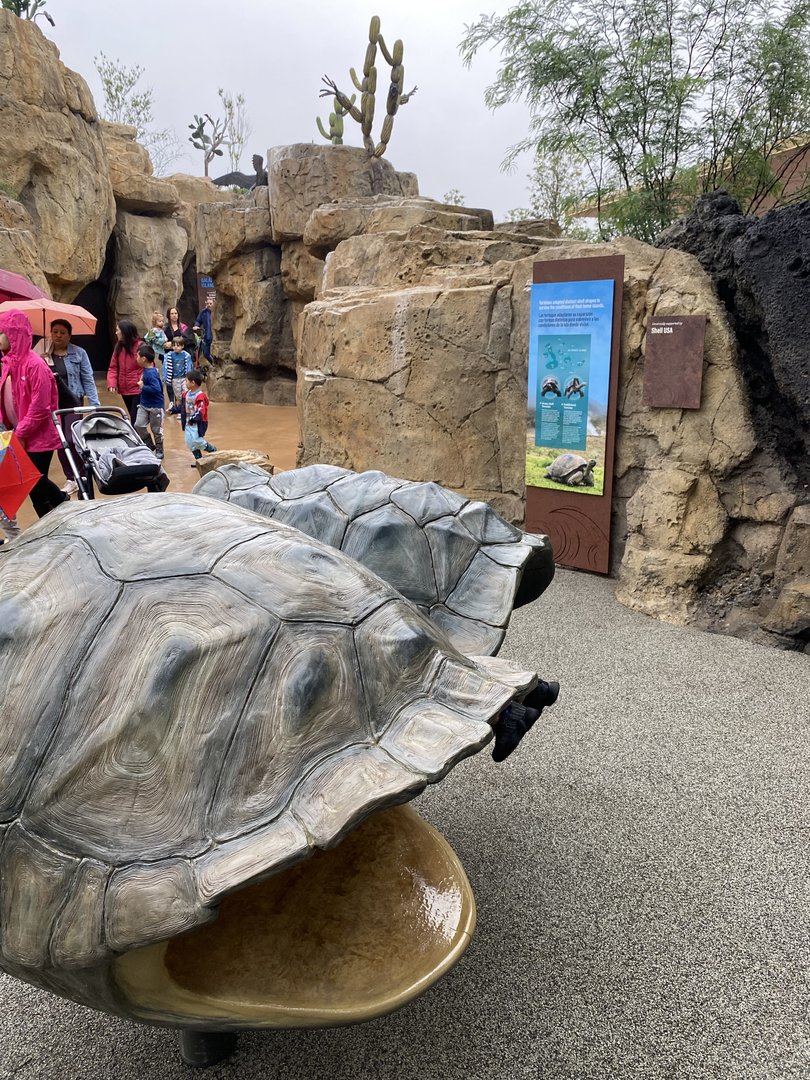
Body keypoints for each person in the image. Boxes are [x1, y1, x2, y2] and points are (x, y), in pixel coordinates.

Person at [0, 311, 68, 518]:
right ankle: (62, 507)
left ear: (14, 334)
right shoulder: (9, 364)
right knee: (34, 483)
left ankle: (54, 520)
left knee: (35, 484)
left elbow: (40, 407)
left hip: (38, 437)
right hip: (19, 435)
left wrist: (20, 433)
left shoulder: (35, 365)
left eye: (2, 333)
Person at [45, 318, 100, 496]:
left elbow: (88, 378)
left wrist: (95, 405)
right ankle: (71, 478)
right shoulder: (44, 353)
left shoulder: (79, 353)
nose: (58, 335)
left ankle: (82, 474)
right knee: (59, 441)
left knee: (71, 438)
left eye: (62, 332)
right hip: (52, 403)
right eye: (55, 332)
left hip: (73, 401)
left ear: (69, 335)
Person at [107, 320, 142, 424]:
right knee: (132, 416)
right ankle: (141, 438)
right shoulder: (119, 347)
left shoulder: (141, 346)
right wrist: (112, 383)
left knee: (136, 419)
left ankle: (140, 439)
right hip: (124, 388)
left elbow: (148, 366)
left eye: (118, 330)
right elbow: (113, 367)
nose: (116, 332)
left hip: (138, 389)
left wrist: (143, 381)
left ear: (125, 332)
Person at [134, 344, 165, 460]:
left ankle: (160, 449)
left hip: (155, 406)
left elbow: (157, 389)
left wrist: (143, 387)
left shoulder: (151, 373)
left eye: (137, 356)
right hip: (144, 404)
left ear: (143, 359)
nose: (136, 359)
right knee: (138, 424)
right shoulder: (146, 370)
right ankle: (148, 444)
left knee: (157, 430)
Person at [182, 370, 216, 465]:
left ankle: (211, 449)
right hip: (188, 423)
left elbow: (201, 411)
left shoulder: (200, 396)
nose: (185, 383)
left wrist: (193, 419)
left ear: (193, 383)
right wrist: (173, 409)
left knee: (196, 441)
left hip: (197, 423)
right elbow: (183, 407)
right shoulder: (186, 394)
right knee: (190, 443)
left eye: (186, 381)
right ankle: (199, 461)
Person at [165, 335, 195, 420]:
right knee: (178, 396)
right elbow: (167, 368)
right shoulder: (170, 355)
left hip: (184, 378)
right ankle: (179, 411)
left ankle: (188, 411)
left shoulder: (186, 355)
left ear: (182, 346)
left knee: (186, 394)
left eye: (178, 345)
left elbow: (188, 367)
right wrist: (168, 379)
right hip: (175, 379)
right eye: (174, 345)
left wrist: (188, 378)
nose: (175, 347)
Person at [143, 311, 168, 381]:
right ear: (155, 322)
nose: (162, 323)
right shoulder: (153, 331)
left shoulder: (161, 330)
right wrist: (160, 341)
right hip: (155, 351)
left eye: (162, 321)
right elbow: (148, 338)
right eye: (160, 321)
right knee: (156, 365)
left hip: (160, 351)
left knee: (161, 366)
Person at [195, 295, 214, 363]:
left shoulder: (216, 312)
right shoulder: (203, 312)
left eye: (210, 303)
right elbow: (198, 321)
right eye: (207, 303)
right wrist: (196, 326)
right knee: (206, 353)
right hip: (207, 336)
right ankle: (213, 363)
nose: (209, 305)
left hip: (215, 337)